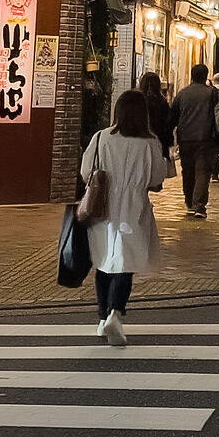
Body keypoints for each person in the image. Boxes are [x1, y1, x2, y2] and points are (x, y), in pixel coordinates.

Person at [81, 89, 168, 347]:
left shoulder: (101, 138)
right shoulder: (151, 142)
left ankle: (101, 317)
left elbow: (87, 171)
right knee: (125, 262)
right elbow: (156, 179)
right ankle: (114, 313)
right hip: (134, 206)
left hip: (102, 205)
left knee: (104, 259)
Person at [168, 64, 219, 219]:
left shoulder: (183, 94)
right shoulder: (212, 93)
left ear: (191, 75)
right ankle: (199, 206)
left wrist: (170, 137)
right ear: (206, 76)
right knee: (203, 172)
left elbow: (172, 117)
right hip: (206, 139)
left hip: (186, 139)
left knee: (188, 172)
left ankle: (189, 203)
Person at [140, 71, 175, 168]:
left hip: (140, 141)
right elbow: (168, 124)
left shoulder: (138, 100)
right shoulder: (162, 102)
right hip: (158, 142)